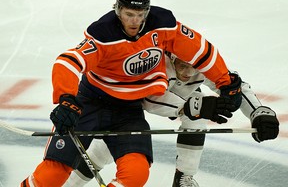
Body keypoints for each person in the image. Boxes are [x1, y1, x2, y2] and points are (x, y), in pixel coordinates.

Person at [21, 0, 243, 187]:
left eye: (140, 14)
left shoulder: (164, 25)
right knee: (53, 174)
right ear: (118, 10)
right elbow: (68, 61)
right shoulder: (103, 34)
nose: (135, 21)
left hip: (128, 111)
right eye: (129, 14)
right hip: (90, 104)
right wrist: (66, 99)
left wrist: (225, 82)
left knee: (136, 173)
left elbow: (202, 50)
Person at [63, 54, 279, 187]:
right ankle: (71, 183)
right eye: (182, 65)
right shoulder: (155, 61)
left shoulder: (204, 63)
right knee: (106, 149)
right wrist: (189, 106)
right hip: (130, 103)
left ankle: (183, 178)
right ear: (171, 56)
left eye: (193, 67)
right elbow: (149, 99)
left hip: (175, 103)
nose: (187, 73)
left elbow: (236, 88)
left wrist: (258, 112)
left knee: (197, 118)